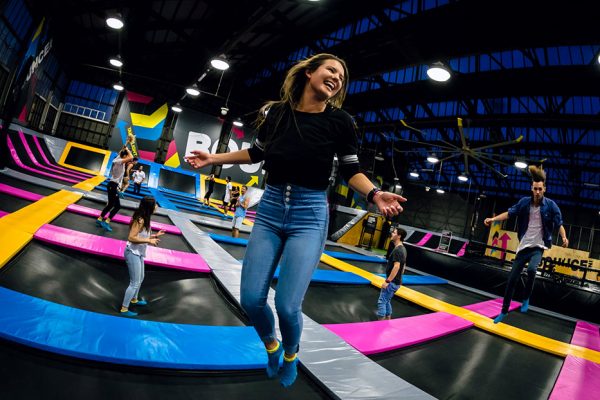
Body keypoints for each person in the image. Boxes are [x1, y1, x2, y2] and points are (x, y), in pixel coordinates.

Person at [185, 53, 406, 387]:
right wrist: (213, 156)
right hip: (271, 209)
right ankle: (271, 346)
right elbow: (256, 153)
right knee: (251, 300)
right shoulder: (277, 113)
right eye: (331, 70)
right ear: (309, 72)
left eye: (342, 77)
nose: (337, 78)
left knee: (288, 307)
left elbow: (350, 170)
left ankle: (291, 352)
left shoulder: (340, 121)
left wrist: (375, 194)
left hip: (311, 214)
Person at [484, 165, 568, 324]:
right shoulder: (524, 203)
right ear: (531, 188)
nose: (537, 192)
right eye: (535, 189)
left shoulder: (551, 205)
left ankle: (526, 297)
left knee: (531, 270)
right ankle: (503, 311)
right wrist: (493, 219)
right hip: (523, 247)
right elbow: (509, 214)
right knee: (511, 280)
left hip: (538, 247)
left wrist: (564, 238)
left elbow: (559, 224)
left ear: (545, 189)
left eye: (540, 189)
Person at [119, 196, 165, 316]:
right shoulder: (140, 219)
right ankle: (124, 308)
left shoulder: (146, 218)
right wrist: (149, 241)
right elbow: (131, 237)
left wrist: (154, 236)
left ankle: (134, 299)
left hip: (138, 253)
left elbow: (142, 236)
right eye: (155, 205)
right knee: (134, 282)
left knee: (141, 277)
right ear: (149, 207)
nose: (157, 207)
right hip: (132, 252)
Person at [97, 146, 133, 232]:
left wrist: (125, 146)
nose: (128, 159)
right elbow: (131, 157)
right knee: (117, 206)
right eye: (126, 157)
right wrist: (128, 150)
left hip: (112, 185)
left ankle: (100, 219)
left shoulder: (117, 159)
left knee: (110, 205)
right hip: (113, 185)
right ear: (124, 157)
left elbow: (121, 153)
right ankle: (106, 221)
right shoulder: (120, 161)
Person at [377, 226, 407, 320]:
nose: (392, 234)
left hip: (392, 282)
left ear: (399, 236)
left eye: (394, 233)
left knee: (381, 301)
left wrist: (388, 281)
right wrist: (399, 278)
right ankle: (387, 321)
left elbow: (397, 266)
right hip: (397, 281)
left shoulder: (398, 250)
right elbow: (403, 266)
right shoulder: (403, 249)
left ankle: (380, 325)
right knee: (387, 300)